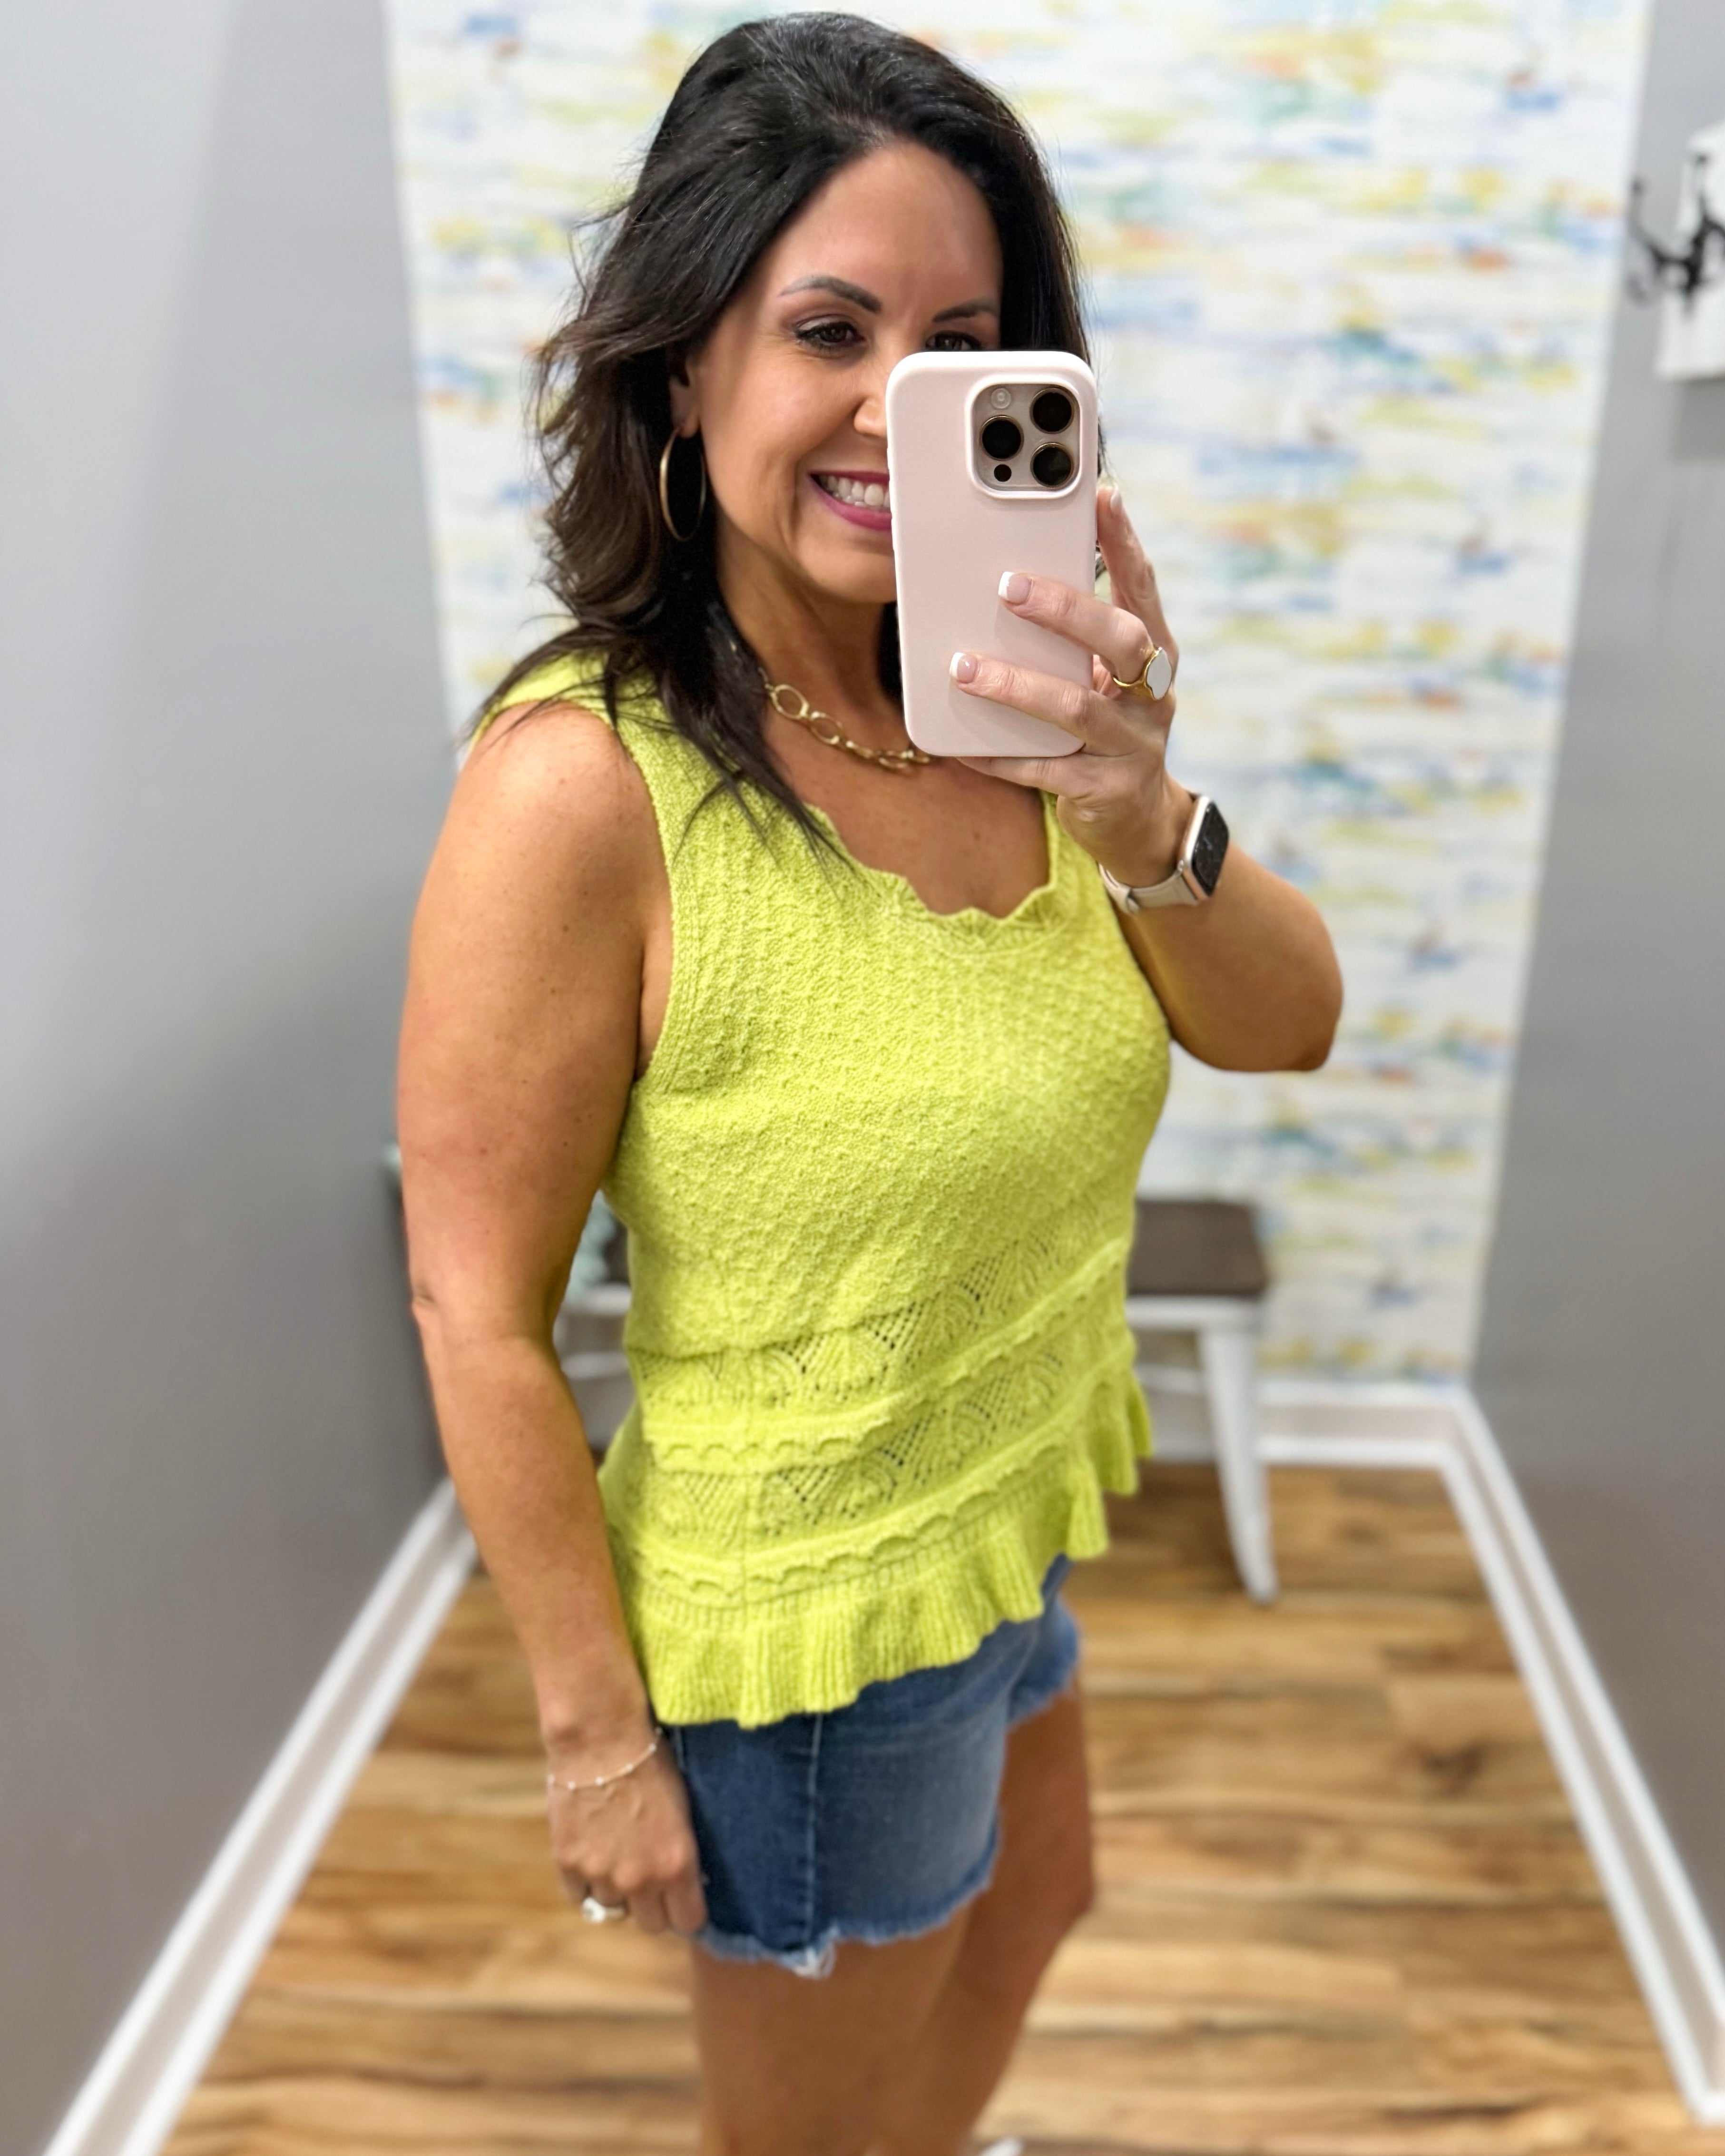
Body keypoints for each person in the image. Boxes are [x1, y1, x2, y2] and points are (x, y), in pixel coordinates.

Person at [397, 16, 1342, 2155]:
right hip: (812, 1638)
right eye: (828, 329)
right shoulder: (586, 788)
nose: (889, 405)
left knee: (1043, 1903)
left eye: (961, 344)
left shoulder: (1013, 709)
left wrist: (1137, 800)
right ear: (683, 365)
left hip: (1000, 1519)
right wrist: (593, 1737)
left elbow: (1282, 1020)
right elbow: (478, 1307)